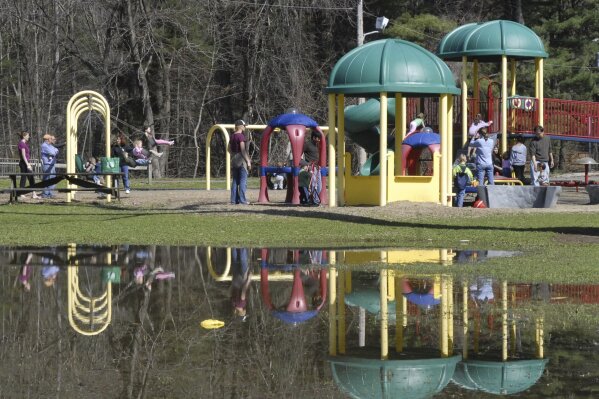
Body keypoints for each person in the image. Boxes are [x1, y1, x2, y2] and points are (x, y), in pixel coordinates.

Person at [228, 119, 251, 205]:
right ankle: (242, 200)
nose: (245, 127)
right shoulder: (241, 136)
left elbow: (228, 149)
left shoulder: (232, 136)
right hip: (241, 160)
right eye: (244, 126)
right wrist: (248, 161)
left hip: (234, 160)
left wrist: (233, 155)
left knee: (235, 181)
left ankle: (234, 200)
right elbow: (243, 150)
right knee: (242, 180)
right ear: (240, 126)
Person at [17, 131, 39, 199]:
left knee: (29, 178)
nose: (29, 137)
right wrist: (27, 164)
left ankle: (33, 193)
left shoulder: (25, 144)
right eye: (28, 135)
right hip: (24, 163)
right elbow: (23, 155)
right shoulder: (22, 144)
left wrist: (28, 163)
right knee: (25, 178)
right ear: (24, 136)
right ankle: (22, 193)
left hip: (25, 162)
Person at [231, 247, 251, 321]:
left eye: (245, 314)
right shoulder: (234, 304)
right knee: (235, 261)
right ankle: (233, 246)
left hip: (242, 281)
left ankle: (242, 246)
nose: (246, 312)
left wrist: (248, 280)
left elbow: (243, 292)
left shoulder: (241, 304)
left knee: (243, 261)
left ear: (242, 313)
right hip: (235, 281)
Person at [302, 130, 322, 196]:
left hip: (317, 167)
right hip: (311, 167)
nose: (319, 140)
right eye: (317, 138)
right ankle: (313, 200)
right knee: (313, 184)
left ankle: (316, 199)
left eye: (319, 138)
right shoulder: (307, 144)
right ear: (313, 137)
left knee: (319, 185)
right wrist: (306, 164)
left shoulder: (317, 145)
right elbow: (298, 156)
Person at [40, 134, 59, 199]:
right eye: (51, 138)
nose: (52, 139)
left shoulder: (50, 145)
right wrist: (54, 152)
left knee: (53, 179)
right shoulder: (44, 145)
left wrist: (54, 152)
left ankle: (50, 193)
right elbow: (53, 152)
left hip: (52, 164)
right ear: (48, 139)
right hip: (47, 165)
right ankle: (45, 194)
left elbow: (57, 150)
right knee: (47, 179)